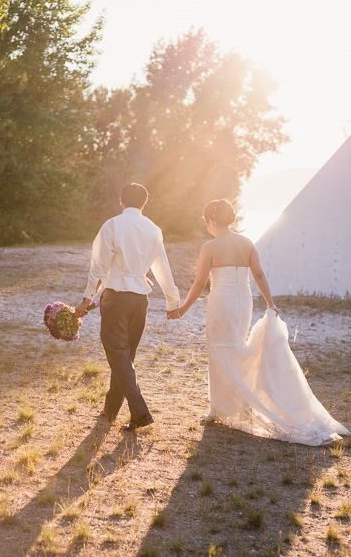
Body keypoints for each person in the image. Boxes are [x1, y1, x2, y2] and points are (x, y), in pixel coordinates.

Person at [168, 199, 349, 446]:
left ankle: (218, 408)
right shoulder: (247, 243)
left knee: (219, 350)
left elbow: (200, 282)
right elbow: (259, 274)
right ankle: (233, 404)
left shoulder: (209, 247)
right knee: (237, 347)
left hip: (221, 302)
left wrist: (182, 310)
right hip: (243, 301)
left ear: (211, 221)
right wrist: (270, 303)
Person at [75, 183, 180, 430]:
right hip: (140, 301)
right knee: (124, 356)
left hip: (117, 297)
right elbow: (162, 267)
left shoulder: (112, 225)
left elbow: (99, 267)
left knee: (119, 355)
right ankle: (111, 411)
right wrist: (172, 301)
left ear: (121, 201)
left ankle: (140, 412)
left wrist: (87, 298)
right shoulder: (154, 229)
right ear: (144, 203)